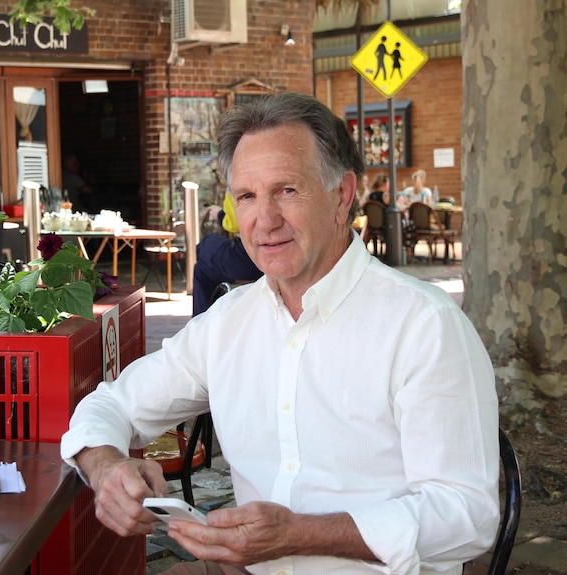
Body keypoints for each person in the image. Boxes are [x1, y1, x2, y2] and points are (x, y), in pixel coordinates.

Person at [60, 92, 499, 575]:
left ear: (342, 195)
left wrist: (299, 535)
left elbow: (467, 517)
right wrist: (106, 469)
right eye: (246, 196)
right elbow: (111, 404)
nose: (264, 220)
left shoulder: (423, 326)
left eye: (287, 190)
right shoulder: (230, 322)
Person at [192, 191, 262, 316]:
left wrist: (219, 214)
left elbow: (233, 224)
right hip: (254, 260)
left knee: (205, 244)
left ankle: (199, 326)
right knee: (201, 270)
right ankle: (202, 325)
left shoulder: (237, 185)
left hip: (248, 256)